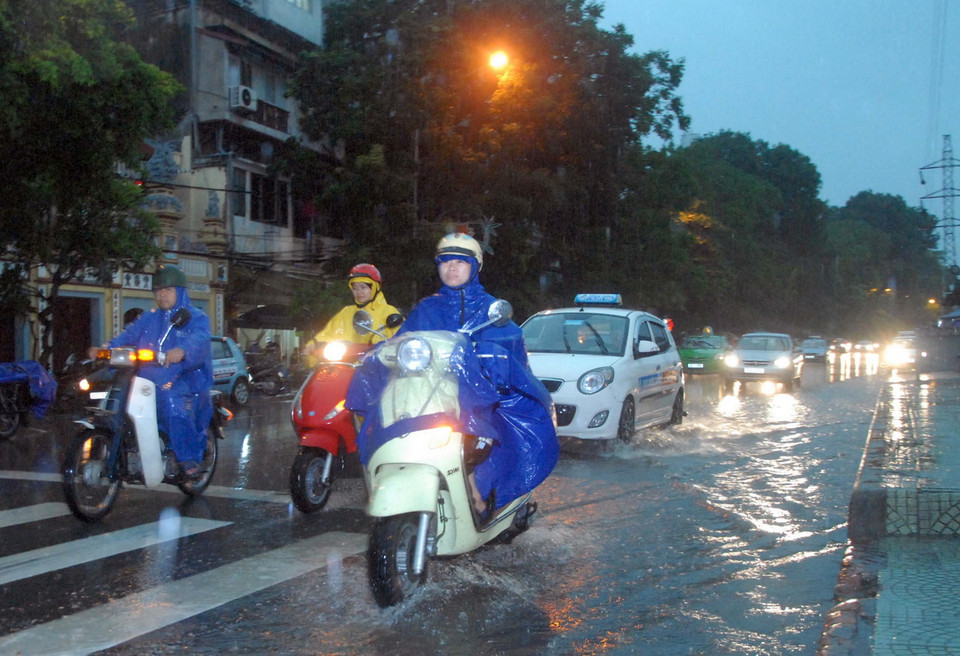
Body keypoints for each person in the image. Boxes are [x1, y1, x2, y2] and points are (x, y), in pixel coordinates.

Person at [348, 232, 559, 517]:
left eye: (461, 262)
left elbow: (511, 345)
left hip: (478, 394)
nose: (452, 268)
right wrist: (380, 353)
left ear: (475, 267)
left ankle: (478, 497)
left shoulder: (489, 309)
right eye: (445, 262)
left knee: (476, 436)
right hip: (427, 394)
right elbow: (403, 341)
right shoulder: (427, 307)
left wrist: (494, 358)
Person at [89, 265, 214, 478]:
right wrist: (106, 348)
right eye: (158, 291)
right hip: (148, 374)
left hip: (185, 374)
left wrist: (182, 350)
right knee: (117, 396)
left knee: (171, 402)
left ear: (180, 291)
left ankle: (187, 457)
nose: (162, 295)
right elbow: (128, 335)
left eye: (167, 290)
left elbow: (200, 339)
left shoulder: (195, 317)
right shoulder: (150, 317)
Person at [302, 263, 401, 365]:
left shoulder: (388, 311)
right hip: (346, 366)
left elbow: (403, 337)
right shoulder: (346, 313)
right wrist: (313, 344)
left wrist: (382, 351)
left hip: (380, 368)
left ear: (375, 287)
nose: (359, 292)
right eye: (355, 288)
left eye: (363, 287)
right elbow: (328, 334)